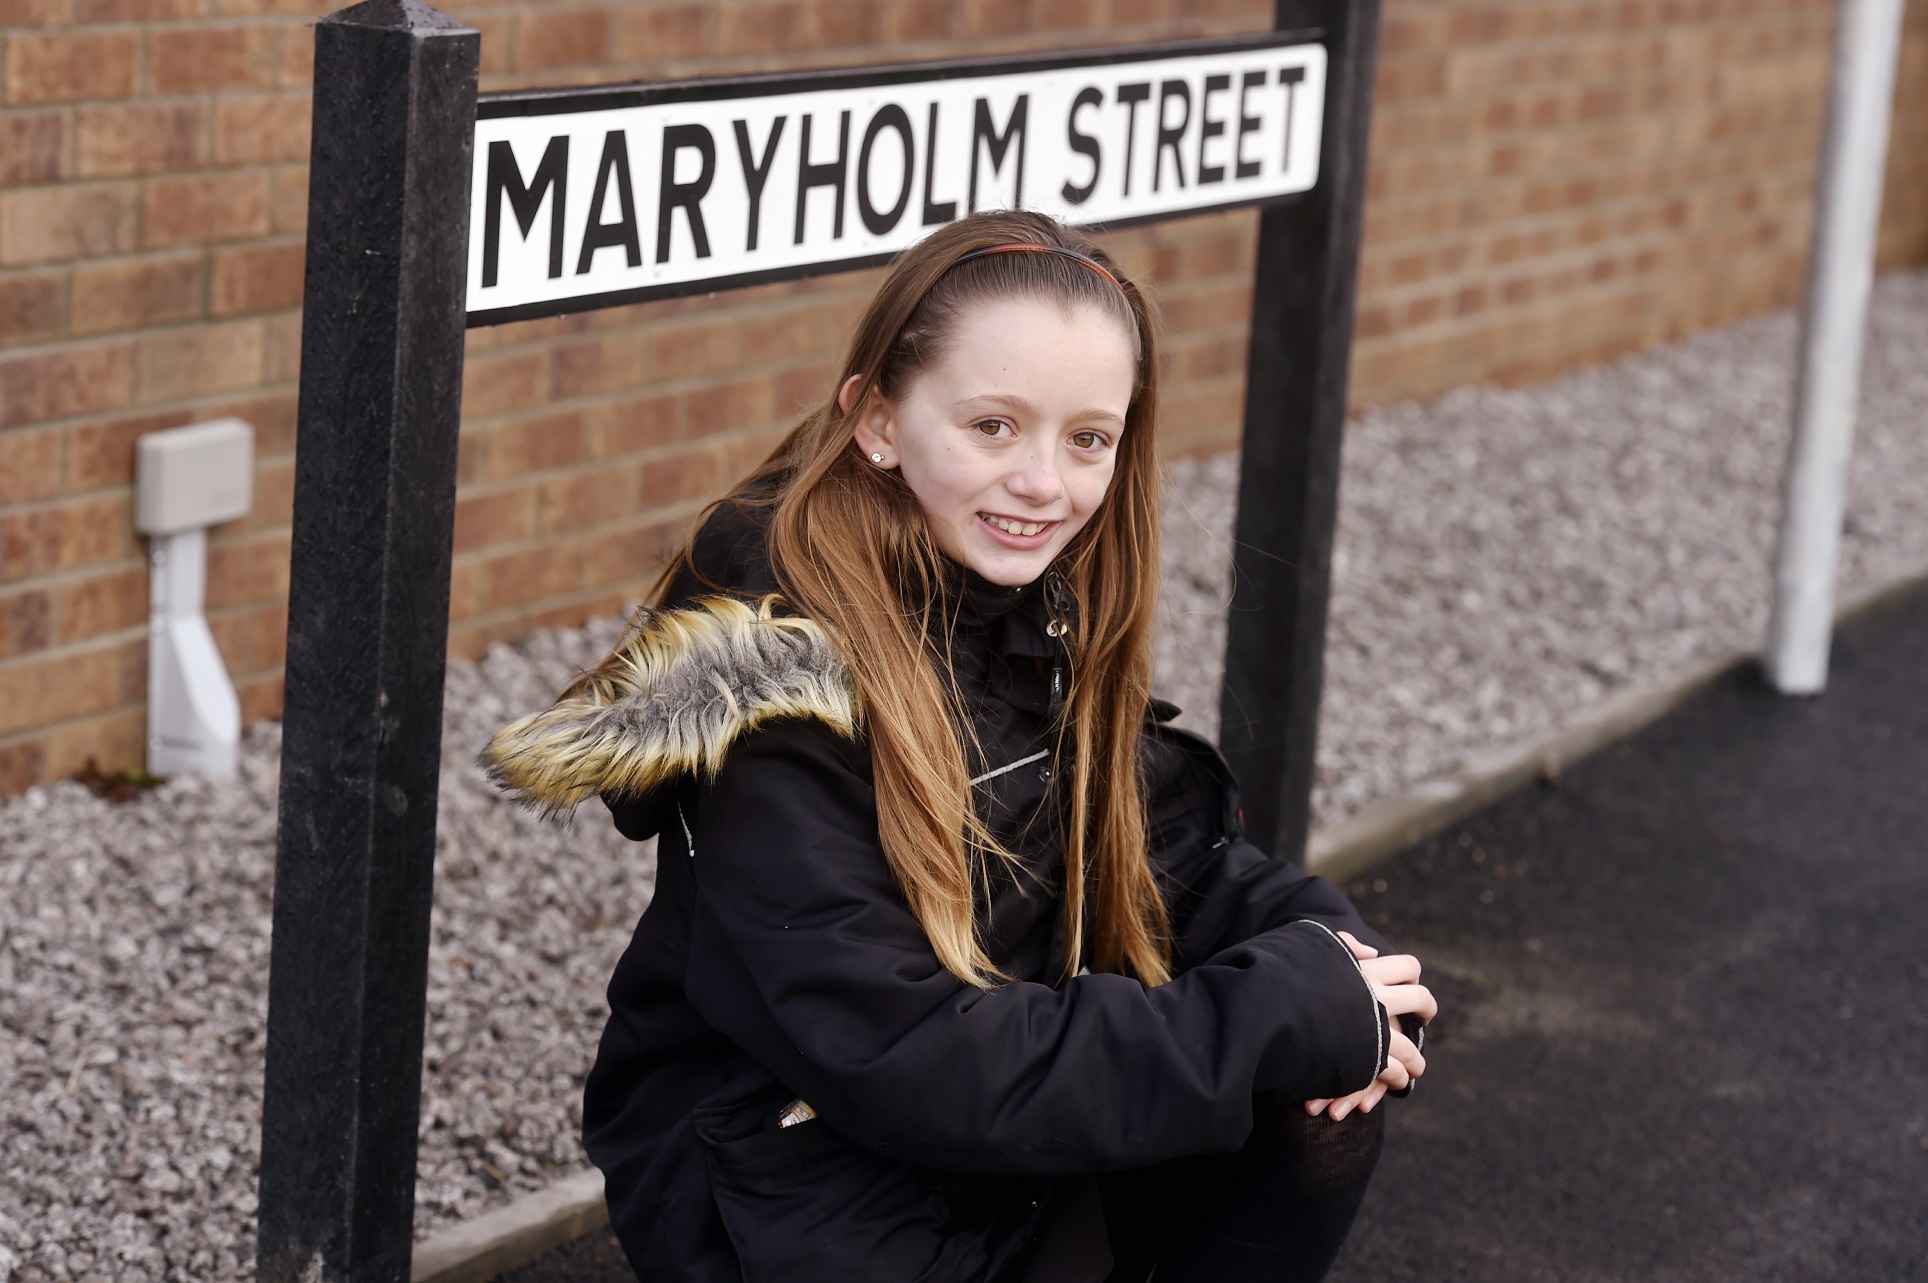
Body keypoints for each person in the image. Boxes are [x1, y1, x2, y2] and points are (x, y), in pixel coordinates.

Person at [485, 209, 1436, 1283]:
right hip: (797, 1181)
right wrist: (1269, 1013)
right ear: (878, 421)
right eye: (992, 425)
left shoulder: (1028, 609)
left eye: (1087, 438)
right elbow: (905, 1053)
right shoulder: (776, 694)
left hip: (993, 1141)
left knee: (1317, 1095)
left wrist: (1342, 966)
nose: (1043, 482)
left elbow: (1185, 864)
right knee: (1271, 1037)